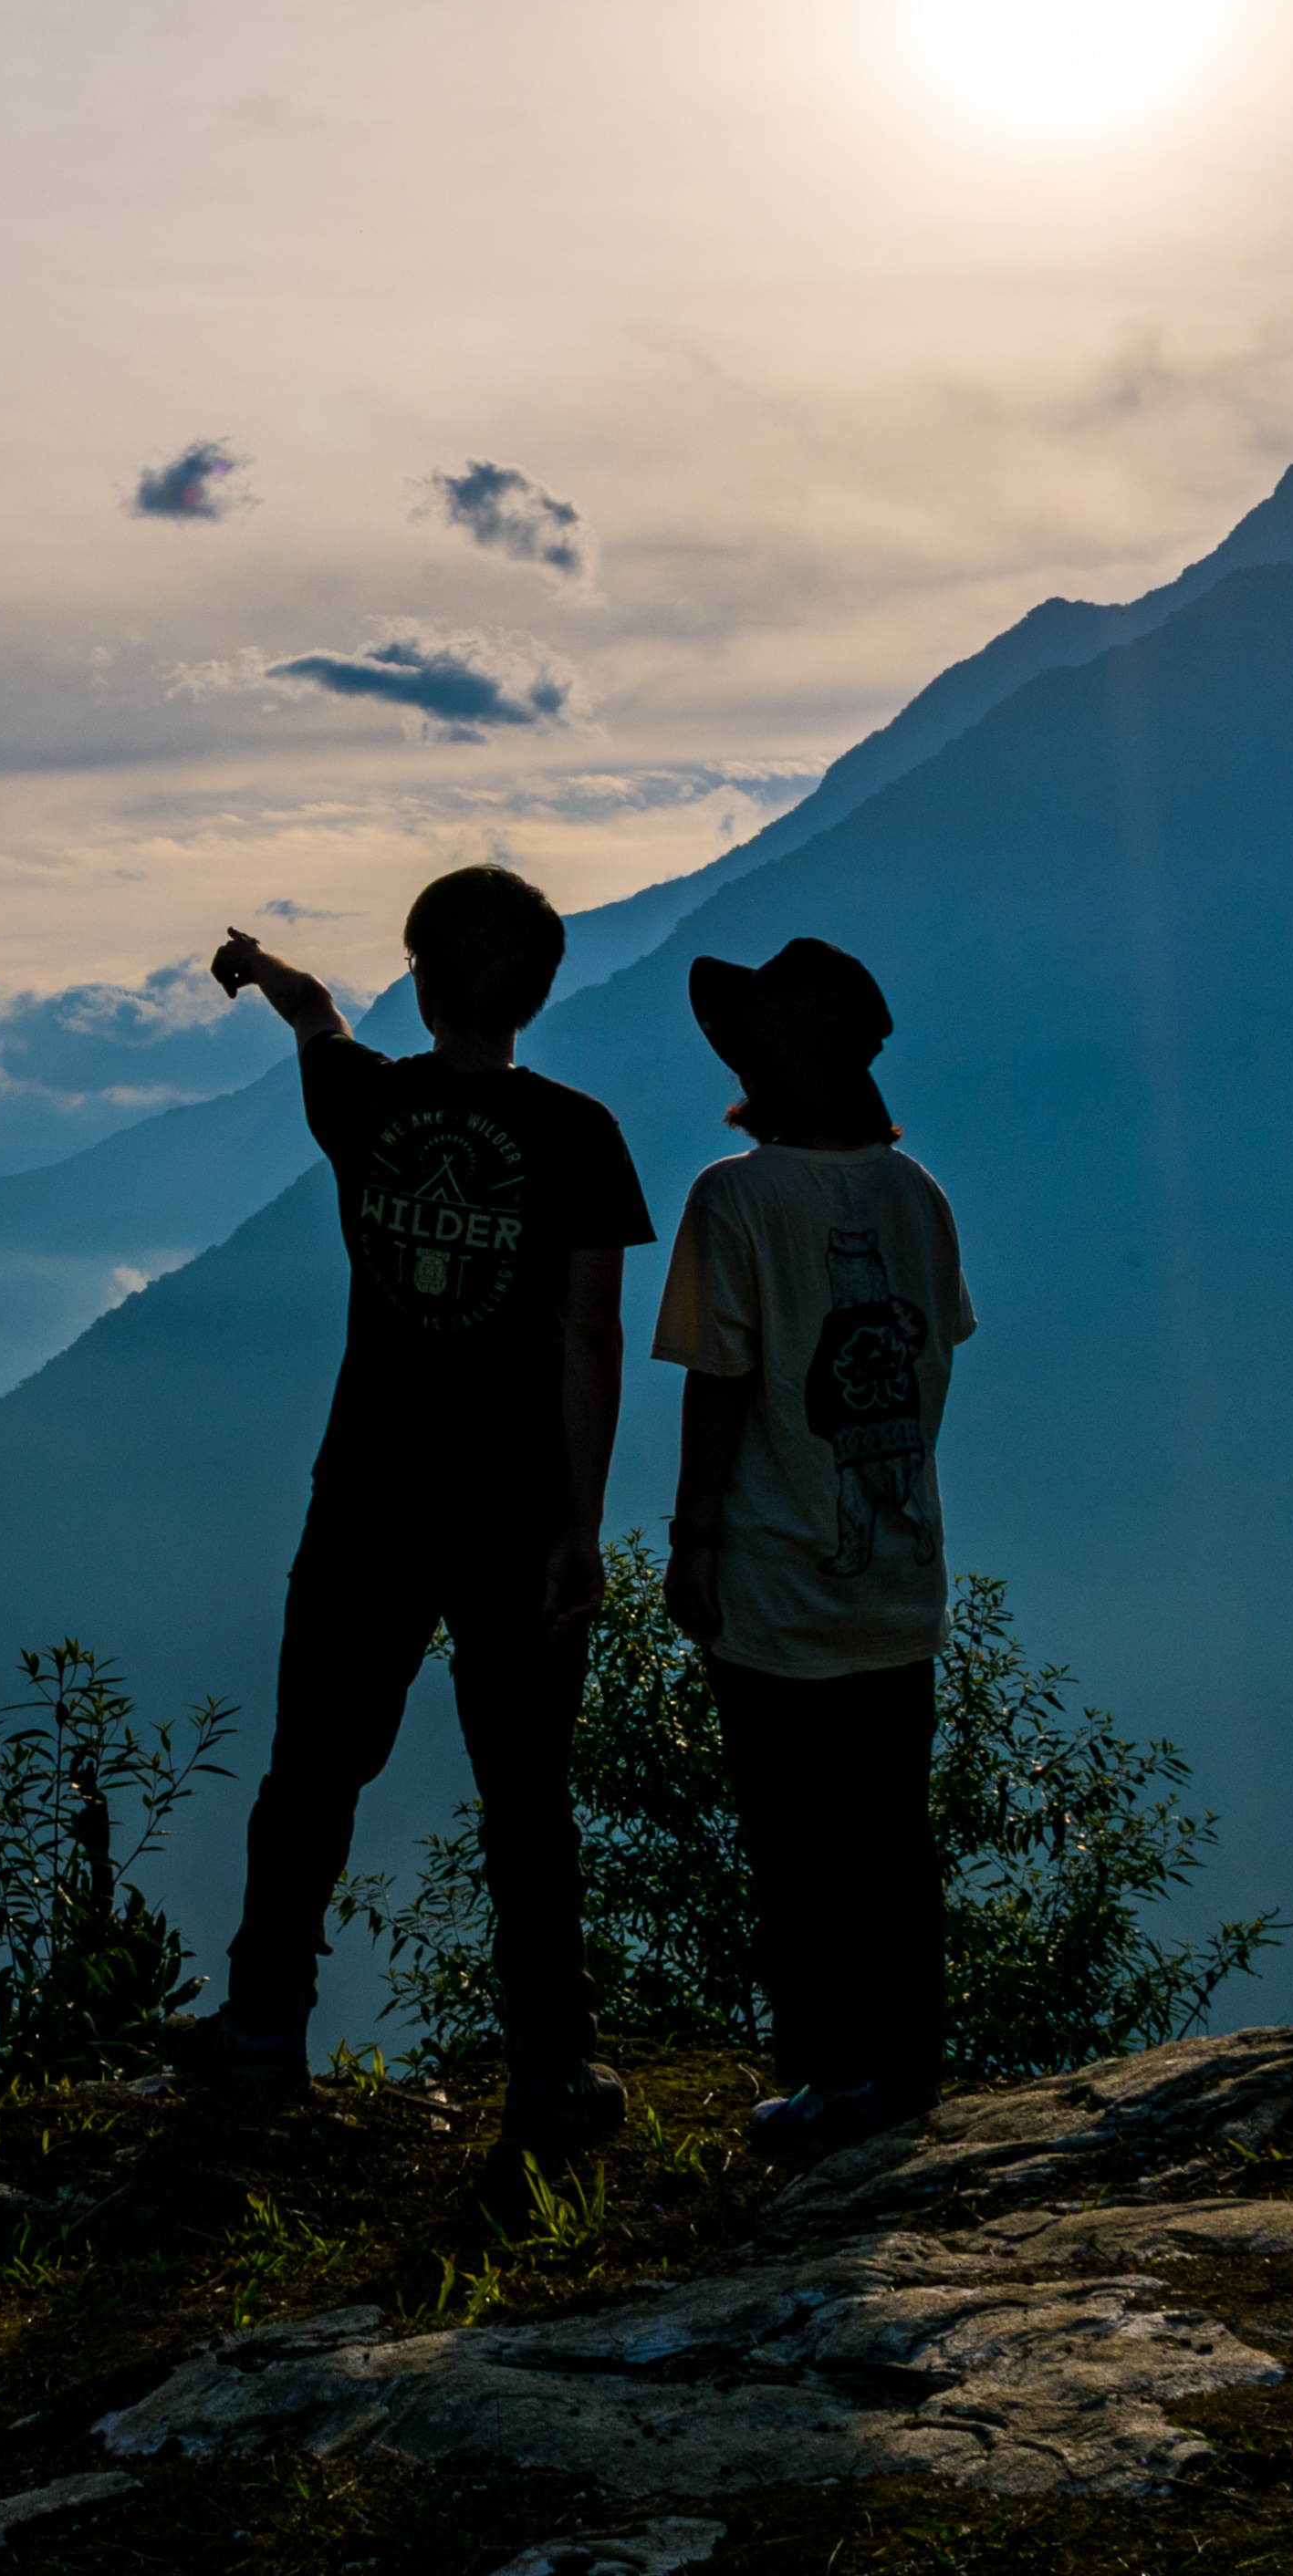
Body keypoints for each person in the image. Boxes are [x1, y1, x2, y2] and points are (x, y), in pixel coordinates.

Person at [162, 866, 656, 2160]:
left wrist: (255, 965)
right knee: (527, 1795)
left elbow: (317, 1013)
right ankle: (551, 2068)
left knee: (313, 1769)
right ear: (541, 993)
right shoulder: (583, 1134)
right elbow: (590, 1336)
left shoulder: (371, 1107)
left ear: (423, 980)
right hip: (518, 1515)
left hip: (368, 1500)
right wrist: (583, 1527)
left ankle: (264, 2030)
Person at [654, 934, 975, 2163]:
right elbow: (936, 1344)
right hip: (898, 1576)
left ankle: (831, 2082)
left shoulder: (734, 1199)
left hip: (779, 1580)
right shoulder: (919, 1196)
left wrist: (692, 1543)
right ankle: (906, 2073)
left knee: (796, 1839)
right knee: (892, 1833)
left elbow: (719, 1385)